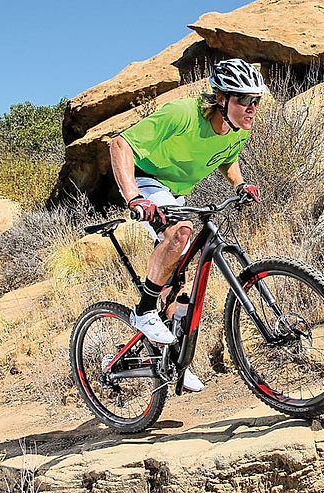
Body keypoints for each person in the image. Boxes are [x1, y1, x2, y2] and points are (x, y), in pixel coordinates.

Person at [109, 58, 265, 392]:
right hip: (146, 181)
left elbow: (227, 159)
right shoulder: (181, 114)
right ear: (221, 99)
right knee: (181, 232)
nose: (251, 107)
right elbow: (119, 144)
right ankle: (144, 311)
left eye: (256, 100)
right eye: (243, 99)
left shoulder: (238, 128)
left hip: (176, 193)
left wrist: (240, 184)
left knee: (182, 290)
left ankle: (175, 362)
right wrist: (134, 198)